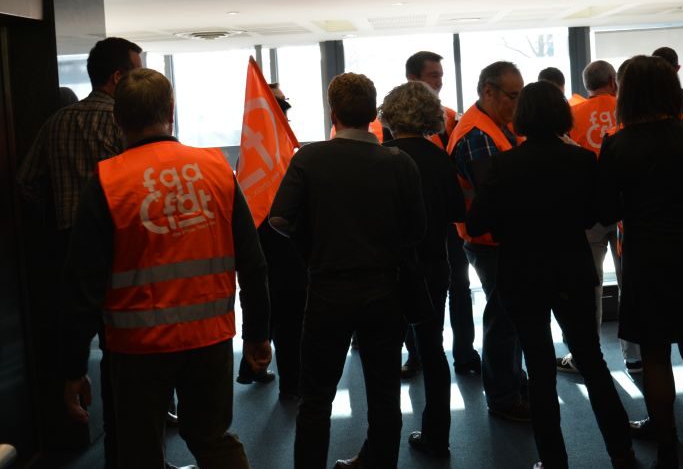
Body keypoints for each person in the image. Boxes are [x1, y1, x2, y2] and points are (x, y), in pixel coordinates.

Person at [60, 68, 271, 469]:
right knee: (213, 439)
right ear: (171, 110)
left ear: (117, 118)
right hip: (209, 339)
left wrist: (73, 367)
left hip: (137, 348)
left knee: (139, 451)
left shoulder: (107, 183)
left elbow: (82, 287)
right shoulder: (217, 171)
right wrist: (259, 332)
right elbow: (253, 263)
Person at [467, 81, 636, 469]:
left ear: (523, 116)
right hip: (571, 269)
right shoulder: (582, 161)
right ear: (562, 115)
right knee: (592, 361)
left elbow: (476, 223)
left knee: (540, 367)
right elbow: (604, 213)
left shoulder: (504, 165)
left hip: (521, 274)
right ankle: (621, 450)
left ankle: (554, 459)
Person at [269, 73, 426, 469]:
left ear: (332, 113)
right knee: (385, 394)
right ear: (373, 113)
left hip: (328, 289)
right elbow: (418, 230)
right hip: (384, 290)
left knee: (316, 397)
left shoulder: (309, 159)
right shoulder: (399, 162)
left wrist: (312, 247)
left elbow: (280, 219)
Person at [596, 55, 683, 469]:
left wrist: (637, 203)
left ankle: (668, 450)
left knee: (654, 355)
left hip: (645, 252)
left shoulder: (616, 142)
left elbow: (606, 210)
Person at [18, 37, 142, 469]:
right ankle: (128, 451)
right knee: (123, 354)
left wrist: (55, 220)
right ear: (118, 77)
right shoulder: (122, 122)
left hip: (67, 249)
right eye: (138, 72)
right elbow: (138, 186)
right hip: (119, 250)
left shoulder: (56, 122)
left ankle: (112, 451)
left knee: (77, 341)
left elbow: (27, 182)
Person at [378, 81, 465, 458]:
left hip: (387, 269)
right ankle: (437, 435)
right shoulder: (439, 158)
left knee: (384, 354)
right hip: (433, 265)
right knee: (432, 349)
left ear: (390, 116)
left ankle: (382, 442)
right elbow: (458, 212)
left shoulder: (380, 159)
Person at [447, 61, 530, 422]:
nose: (518, 104)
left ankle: (512, 383)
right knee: (503, 319)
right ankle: (503, 396)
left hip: (500, 239)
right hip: (488, 241)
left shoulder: (497, 125)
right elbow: (495, 197)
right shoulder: (477, 136)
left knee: (510, 316)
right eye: (513, 96)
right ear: (488, 92)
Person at [401, 51, 479, 377]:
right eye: (433, 75)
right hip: (409, 223)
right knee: (411, 286)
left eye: (441, 75)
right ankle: (416, 354)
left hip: (447, 219)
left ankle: (465, 354)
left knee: (460, 287)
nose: (439, 81)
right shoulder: (393, 122)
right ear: (413, 79)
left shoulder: (449, 119)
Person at [566, 59, 641, 375]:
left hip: (588, 211)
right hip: (626, 208)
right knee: (631, 283)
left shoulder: (572, 114)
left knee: (590, 286)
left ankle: (587, 356)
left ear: (587, 85)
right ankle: (635, 355)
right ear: (613, 81)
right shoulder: (630, 110)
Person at [237, 80, 307, 397]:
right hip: (281, 246)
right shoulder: (278, 156)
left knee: (266, 309)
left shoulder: (253, 153)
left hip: (261, 246)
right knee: (287, 316)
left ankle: (254, 367)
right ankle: (290, 383)